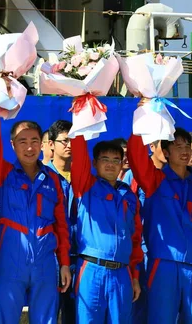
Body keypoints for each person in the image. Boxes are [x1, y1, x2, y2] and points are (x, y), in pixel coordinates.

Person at [0, 109, 71, 324]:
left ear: (43, 144)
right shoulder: (3, 172)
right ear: (12, 145)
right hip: (11, 258)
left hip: (45, 261)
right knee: (5, 317)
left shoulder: (53, 180)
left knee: (46, 319)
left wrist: (65, 264)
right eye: (22, 141)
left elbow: (61, 225)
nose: (29, 147)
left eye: (34, 140)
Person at [127, 117, 192, 324]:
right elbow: (136, 156)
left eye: (188, 146)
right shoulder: (155, 180)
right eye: (178, 146)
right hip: (164, 264)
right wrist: (143, 116)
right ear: (166, 152)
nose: (185, 150)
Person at [70, 135, 143, 324]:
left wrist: (134, 276)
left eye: (116, 160)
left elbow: (135, 239)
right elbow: (78, 157)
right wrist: (80, 122)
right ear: (94, 163)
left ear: (122, 164)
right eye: (105, 159)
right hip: (92, 270)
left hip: (122, 273)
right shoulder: (86, 185)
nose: (111, 164)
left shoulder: (129, 195)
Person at [112, 137, 146, 324]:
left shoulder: (131, 187)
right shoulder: (94, 187)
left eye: (126, 155)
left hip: (132, 257)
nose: (124, 159)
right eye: (120, 155)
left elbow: (135, 230)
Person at [47, 120, 75, 324]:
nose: (69, 145)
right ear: (50, 144)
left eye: (73, 140)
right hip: (49, 259)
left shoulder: (83, 178)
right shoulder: (42, 177)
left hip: (78, 257)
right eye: (64, 141)